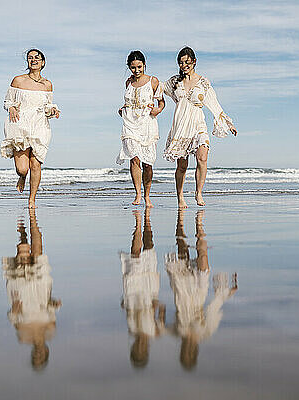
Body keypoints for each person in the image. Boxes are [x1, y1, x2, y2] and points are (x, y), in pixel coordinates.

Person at [162, 47, 238, 207]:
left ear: (194, 62)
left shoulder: (203, 82)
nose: (184, 65)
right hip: (181, 126)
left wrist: (227, 123)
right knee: (182, 165)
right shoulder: (175, 82)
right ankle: (180, 197)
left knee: (202, 158)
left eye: (187, 62)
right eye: (181, 63)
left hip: (198, 124)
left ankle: (198, 193)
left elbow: (213, 102)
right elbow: (158, 88)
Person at [165, 210, 238, 370]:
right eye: (190, 353)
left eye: (186, 353)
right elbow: (214, 308)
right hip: (199, 288)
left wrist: (154, 308)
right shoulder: (205, 333)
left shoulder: (176, 333)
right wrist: (224, 294)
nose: (188, 349)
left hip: (181, 285)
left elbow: (160, 325)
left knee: (181, 246)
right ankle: (199, 225)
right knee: (203, 257)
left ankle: (183, 220)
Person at [0, 49, 60, 209]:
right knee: (22, 168)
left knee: (36, 163)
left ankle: (32, 199)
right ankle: (22, 177)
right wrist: (11, 107)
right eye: (30, 58)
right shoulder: (18, 80)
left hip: (40, 125)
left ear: (43, 62)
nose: (33, 60)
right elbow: (7, 101)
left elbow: (48, 106)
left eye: (36, 58)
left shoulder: (48, 84)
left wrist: (53, 111)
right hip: (20, 124)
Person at [2, 209, 61, 371]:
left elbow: (13, 317)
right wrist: (54, 304)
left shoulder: (22, 337)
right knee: (37, 252)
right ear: (46, 351)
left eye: (36, 357)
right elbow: (49, 306)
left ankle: (23, 233)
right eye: (40, 356)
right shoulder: (51, 330)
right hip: (41, 288)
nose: (38, 353)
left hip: (22, 294)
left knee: (21, 256)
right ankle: (31, 224)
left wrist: (14, 310)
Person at [116, 50, 165, 208]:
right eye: (133, 67)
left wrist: (157, 110)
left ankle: (147, 195)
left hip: (147, 124)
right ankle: (137, 193)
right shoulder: (128, 83)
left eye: (139, 67)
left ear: (144, 65)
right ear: (129, 67)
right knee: (134, 158)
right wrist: (122, 109)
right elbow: (129, 102)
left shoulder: (153, 81)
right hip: (130, 123)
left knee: (147, 163)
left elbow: (161, 103)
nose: (136, 71)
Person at [119, 209, 166, 368]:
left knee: (135, 258)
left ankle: (139, 224)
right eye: (141, 350)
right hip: (148, 292)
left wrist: (124, 305)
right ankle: (146, 223)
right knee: (149, 250)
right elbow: (162, 312)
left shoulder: (132, 330)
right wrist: (157, 306)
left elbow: (129, 313)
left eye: (137, 349)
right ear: (146, 350)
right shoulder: (155, 333)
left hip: (132, 295)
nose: (139, 346)